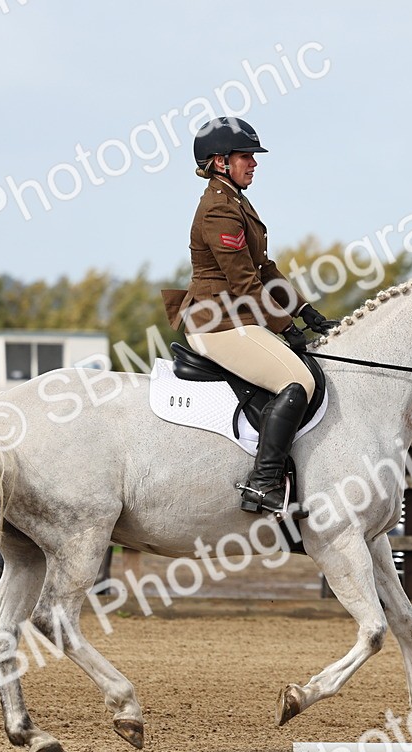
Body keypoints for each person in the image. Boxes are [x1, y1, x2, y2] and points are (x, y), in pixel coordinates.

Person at [160, 116, 338, 515]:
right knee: (297, 380)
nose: (254, 163)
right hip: (217, 322)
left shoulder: (236, 200)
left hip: (236, 318)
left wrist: (306, 311)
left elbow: (265, 268)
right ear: (220, 162)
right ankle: (263, 482)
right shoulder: (217, 210)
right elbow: (243, 281)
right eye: (246, 157)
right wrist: (286, 327)